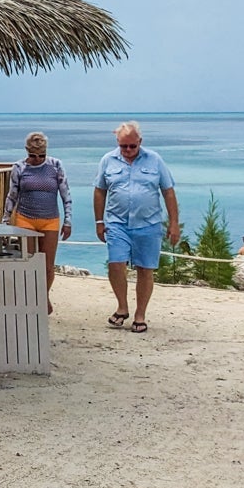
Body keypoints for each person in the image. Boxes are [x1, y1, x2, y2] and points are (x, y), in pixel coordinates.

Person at [94, 121, 181, 334]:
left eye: (132, 146)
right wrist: (99, 221)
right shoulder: (108, 160)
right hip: (117, 223)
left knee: (145, 269)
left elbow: (168, 192)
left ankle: (140, 314)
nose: (128, 151)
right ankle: (122, 307)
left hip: (148, 224)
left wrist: (173, 223)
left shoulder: (155, 160)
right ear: (118, 143)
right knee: (115, 264)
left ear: (140, 142)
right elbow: (99, 191)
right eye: (124, 146)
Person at [3, 132, 74, 313]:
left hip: (50, 219)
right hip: (25, 218)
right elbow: (12, 195)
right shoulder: (19, 167)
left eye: (41, 155)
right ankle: (30, 297)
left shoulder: (55, 166)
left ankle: (43, 295)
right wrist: (5, 220)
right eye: (33, 156)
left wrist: (68, 221)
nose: (37, 159)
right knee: (28, 261)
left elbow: (66, 194)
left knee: (47, 264)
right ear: (27, 152)